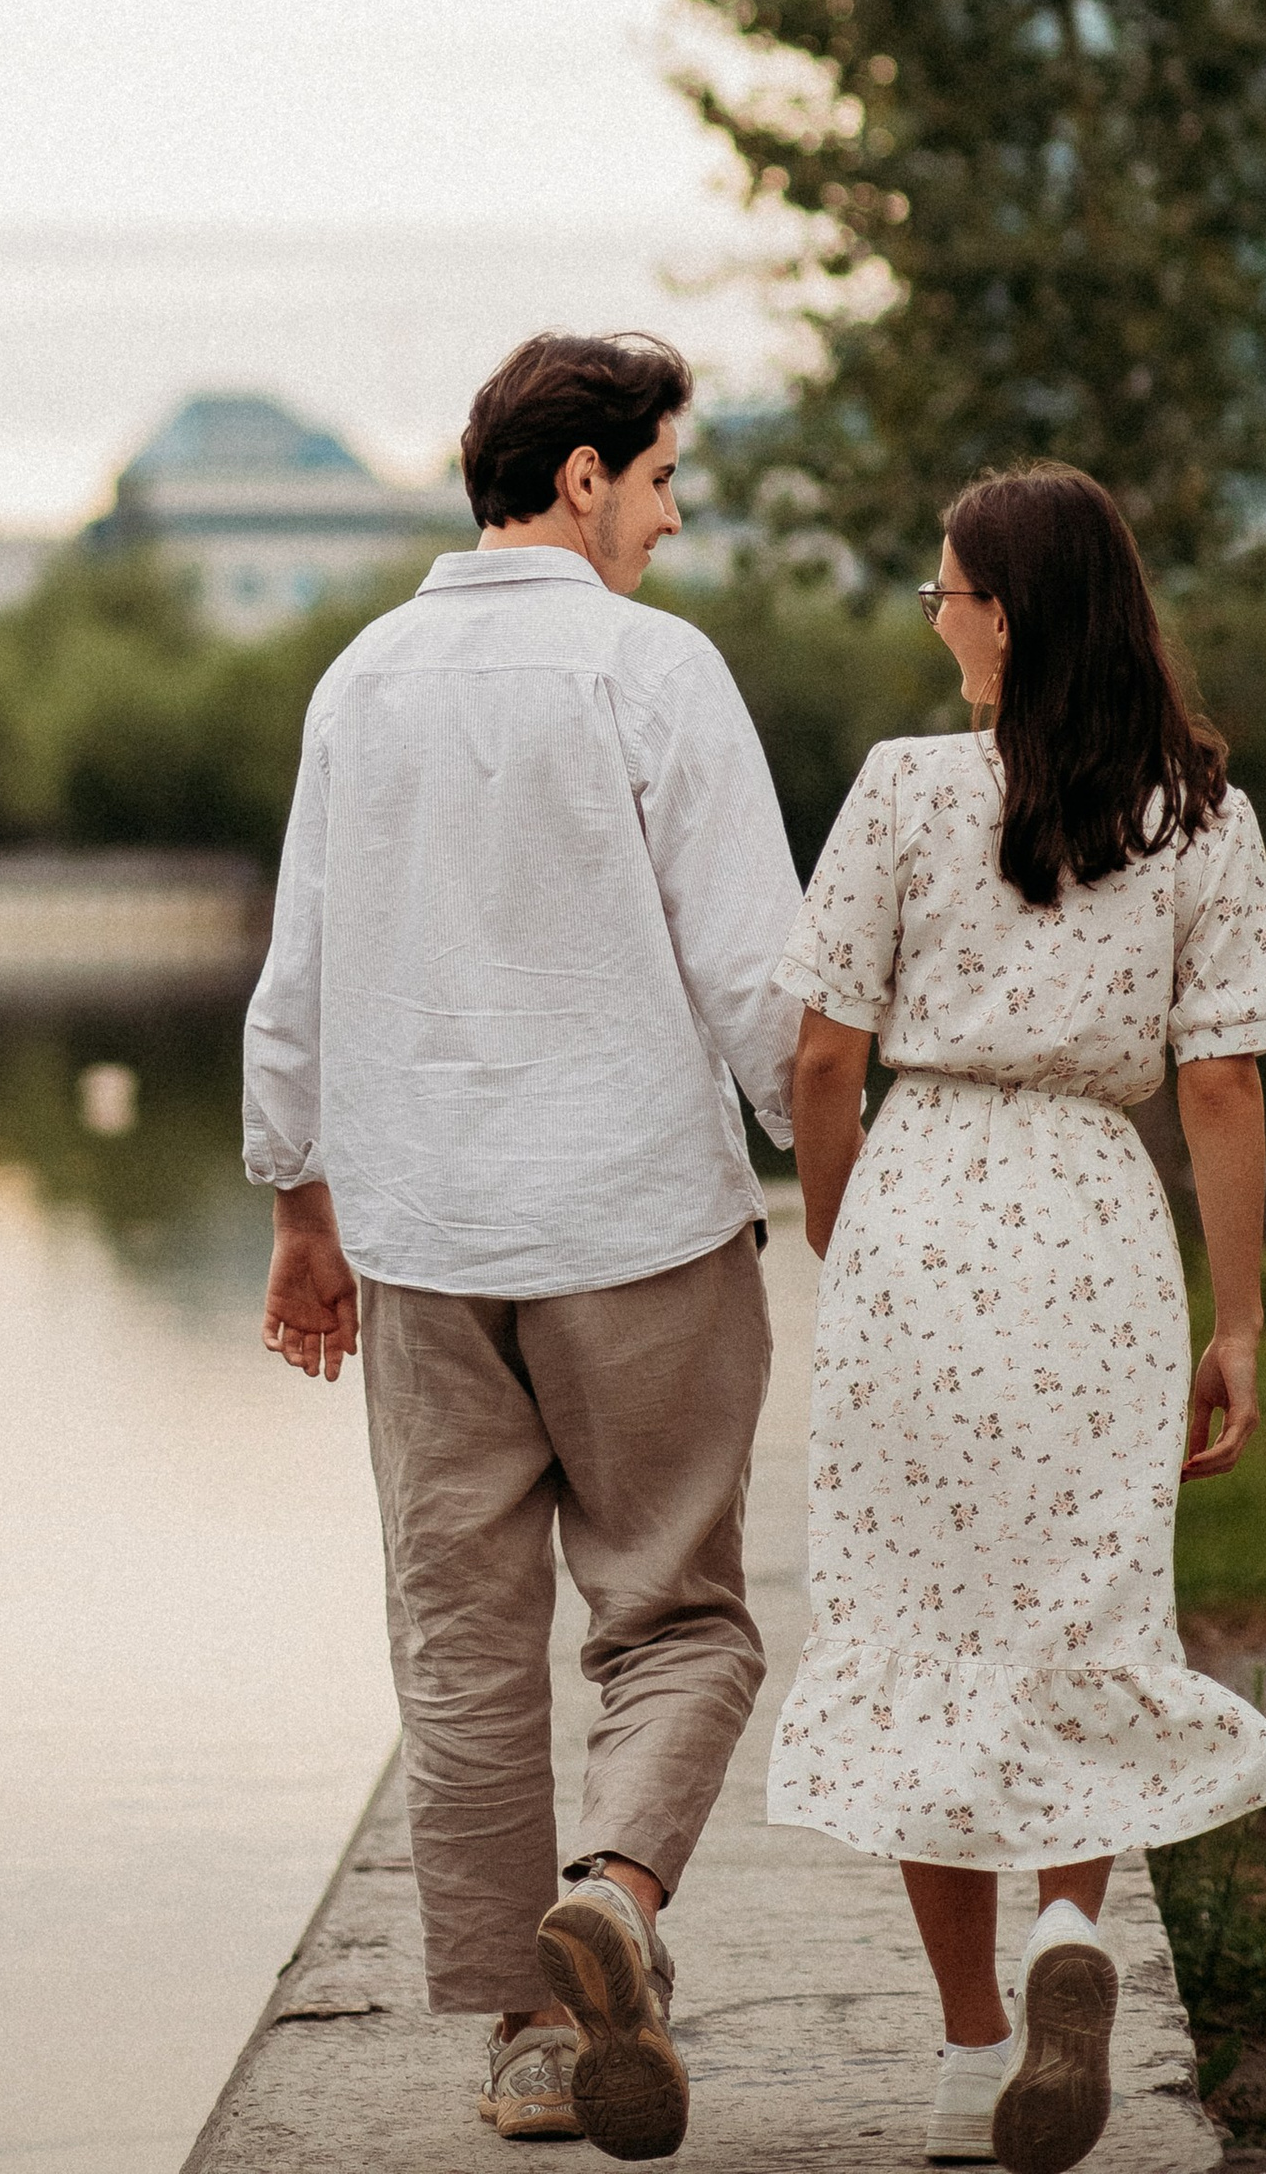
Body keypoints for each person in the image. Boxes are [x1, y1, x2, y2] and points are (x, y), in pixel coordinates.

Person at [244, 331, 804, 2152]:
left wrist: (298, 1207)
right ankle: (618, 1907)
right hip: (636, 1222)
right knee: (681, 1618)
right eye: (657, 484)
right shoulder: (654, 672)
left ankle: (527, 2042)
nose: (662, 519)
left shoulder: (360, 683)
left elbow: (300, 976)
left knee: (464, 1647)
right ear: (580, 479)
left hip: (420, 1238)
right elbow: (756, 976)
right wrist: (839, 1172)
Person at [770, 464, 1266, 2174]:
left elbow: (825, 1059)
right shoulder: (1204, 813)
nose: (936, 620)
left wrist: (850, 1253)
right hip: (1093, 1233)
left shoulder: (904, 792)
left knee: (919, 1635)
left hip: (925, 1215)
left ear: (1006, 611)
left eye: (946, 592)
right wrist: (1236, 1327)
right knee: (1084, 1613)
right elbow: (1218, 1083)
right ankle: (1078, 1930)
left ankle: (966, 2050)